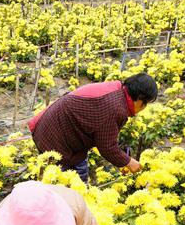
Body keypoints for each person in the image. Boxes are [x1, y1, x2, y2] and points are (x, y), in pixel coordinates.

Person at [28, 73, 157, 182]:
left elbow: (103, 133)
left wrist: (122, 160)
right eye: (146, 104)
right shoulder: (116, 108)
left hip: (60, 131)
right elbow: (107, 147)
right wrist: (129, 162)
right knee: (63, 185)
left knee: (78, 175)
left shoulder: (118, 91)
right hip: (54, 137)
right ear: (140, 99)